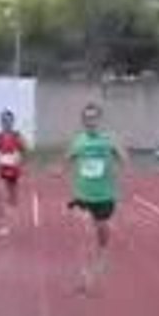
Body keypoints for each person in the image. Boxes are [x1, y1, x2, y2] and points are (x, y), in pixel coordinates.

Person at [64, 102, 127, 294]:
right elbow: (68, 158)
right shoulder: (78, 141)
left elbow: (123, 158)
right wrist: (60, 169)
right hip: (83, 195)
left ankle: (103, 250)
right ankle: (85, 277)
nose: (90, 121)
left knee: (101, 230)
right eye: (87, 118)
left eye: (93, 117)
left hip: (104, 196)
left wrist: (118, 165)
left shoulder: (109, 139)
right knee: (84, 234)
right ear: (83, 121)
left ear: (99, 119)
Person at [0, 110, 28, 236]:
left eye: (9, 120)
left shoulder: (18, 136)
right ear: (1, 122)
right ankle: (3, 224)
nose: (6, 123)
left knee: (13, 199)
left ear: (12, 122)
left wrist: (20, 160)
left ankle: (11, 217)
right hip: (1, 170)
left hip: (14, 171)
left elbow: (25, 151)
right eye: (4, 120)